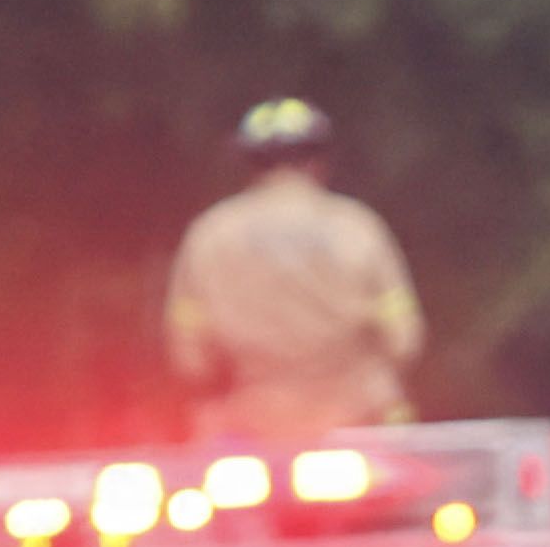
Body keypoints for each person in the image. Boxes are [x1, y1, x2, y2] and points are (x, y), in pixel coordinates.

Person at [164, 98, 424, 447]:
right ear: (319, 161)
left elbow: (189, 358)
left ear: (249, 164)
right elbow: (405, 339)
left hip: (250, 425)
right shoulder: (358, 226)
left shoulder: (211, 234)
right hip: (356, 421)